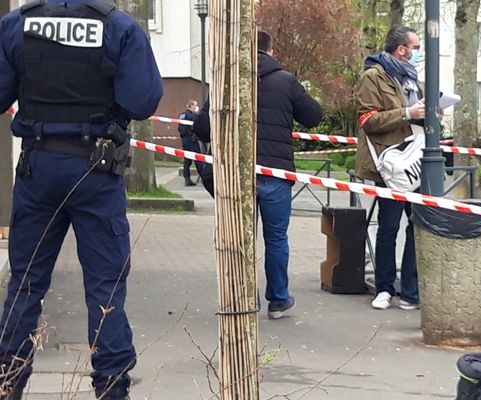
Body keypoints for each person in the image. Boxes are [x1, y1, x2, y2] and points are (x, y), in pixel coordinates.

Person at [0, 1, 163, 399]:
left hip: (38, 166)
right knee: (105, 288)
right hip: (96, 170)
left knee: (25, 283)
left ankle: (8, 381)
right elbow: (142, 100)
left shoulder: (16, 25)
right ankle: (111, 386)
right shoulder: (118, 27)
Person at [192, 31, 322, 319]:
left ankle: (242, 298)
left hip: (237, 176)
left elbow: (201, 128)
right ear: (271, 51)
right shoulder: (286, 80)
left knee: (241, 237)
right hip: (276, 175)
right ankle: (278, 299)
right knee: (276, 238)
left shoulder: (227, 82)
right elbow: (314, 115)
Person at [355, 26, 424, 311]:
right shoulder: (373, 76)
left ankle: (410, 290)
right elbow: (368, 119)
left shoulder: (411, 77)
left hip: (415, 160)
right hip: (390, 162)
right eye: (416, 47)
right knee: (389, 226)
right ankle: (384, 288)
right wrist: (407, 113)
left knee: (417, 225)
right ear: (401, 50)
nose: (419, 53)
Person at [178, 99, 205, 187]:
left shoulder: (182, 115)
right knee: (198, 159)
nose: (196, 107)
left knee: (187, 160)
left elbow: (179, 128)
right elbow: (198, 125)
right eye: (195, 105)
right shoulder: (192, 116)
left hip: (185, 140)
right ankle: (204, 178)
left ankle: (187, 178)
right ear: (191, 106)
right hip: (192, 140)